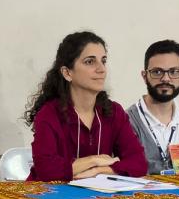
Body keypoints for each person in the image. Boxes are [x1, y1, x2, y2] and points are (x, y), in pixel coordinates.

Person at [25, 31, 148, 180]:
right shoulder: (49, 113)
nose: (101, 69)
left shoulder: (114, 112)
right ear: (67, 73)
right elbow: (46, 170)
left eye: (103, 60)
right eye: (90, 61)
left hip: (96, 197)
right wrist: (94, 160)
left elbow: (139, 163)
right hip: (48, 198)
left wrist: (99, 171)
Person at [126, 39, 179, 174]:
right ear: (145, 76)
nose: (166, 78)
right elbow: (129, 174)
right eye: (157, 72)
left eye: (174, 71)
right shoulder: (126, 122)